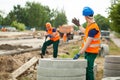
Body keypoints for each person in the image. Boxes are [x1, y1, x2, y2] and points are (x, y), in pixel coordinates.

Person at [72, 6, 100, 80]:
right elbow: (85, 31)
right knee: (87, 69)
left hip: (92, 52)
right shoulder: (90, 25)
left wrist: (79, 53)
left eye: (84, 16)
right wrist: (78, 25)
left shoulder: (94, 28)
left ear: (86, 16)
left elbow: (87, 43)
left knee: (89, 70)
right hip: (88, 52)